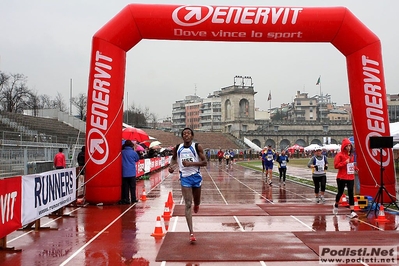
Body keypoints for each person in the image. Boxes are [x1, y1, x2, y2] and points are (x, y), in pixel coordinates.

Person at [168, 128, 207, 243]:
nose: (186, 135)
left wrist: (191, 163)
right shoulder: (178, 148)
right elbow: (174, 159)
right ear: (182, 136)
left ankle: (197, 204)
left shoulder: (197, 147)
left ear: (192, 136)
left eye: (188, 133)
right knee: (188, 204)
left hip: (196, 177)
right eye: (184, 134)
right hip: (185, 178)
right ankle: (191, 232)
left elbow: (205, 163)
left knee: (197, 201)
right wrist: (171, 167)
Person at [333, 138, 359, 218]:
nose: (348, 148)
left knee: (351, 193)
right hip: (341, 177)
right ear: (343, 147)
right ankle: (336, 205)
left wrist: (355, 168)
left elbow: (350, 165)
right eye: (347, 146)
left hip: (350, 177)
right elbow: (336, 166)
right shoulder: (339, 155)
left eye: (349, 146)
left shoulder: (350, 155)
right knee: (340, 192)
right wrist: (345, 162)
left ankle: (352, 211)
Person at [120, 140, 140, 205]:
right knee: (132, 187)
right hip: (132, 172)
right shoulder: (133, 152)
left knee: (125, 187)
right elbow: (137, 159)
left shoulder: (121, 152)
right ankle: (133, 199)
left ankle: (126, 199)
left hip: (124, 172)